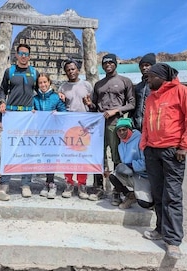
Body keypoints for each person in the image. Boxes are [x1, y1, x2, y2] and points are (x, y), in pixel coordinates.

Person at [140, 63, 187, 259]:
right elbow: (146, 124)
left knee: (172, 195)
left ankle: (173, 241)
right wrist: (144, 144)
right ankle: (160, 229)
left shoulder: (181, 91)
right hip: (152, 151)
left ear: (160, 77)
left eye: (150, 76)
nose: (147, 79)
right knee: (157, 194)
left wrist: (185, 146)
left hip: (172, 152)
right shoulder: (150, 97)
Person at [86, 53, 135, 203]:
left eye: (110, 62)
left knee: (116, 157)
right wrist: (89, 104)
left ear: (115, 64)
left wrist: (116, 110)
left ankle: (117, 190)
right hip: (99, 124)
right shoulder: (98, 84)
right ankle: (99, 187)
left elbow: (132, 103)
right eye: (105, 63)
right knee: (98, 156)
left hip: (116, 124)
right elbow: (94, 106)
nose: (108, 64)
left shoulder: (124, 81)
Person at [0, 43, 39, 200]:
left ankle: (26, 183)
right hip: (12, 115)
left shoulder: (34, 72)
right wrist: (2, 101)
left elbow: (40, 91)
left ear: (29, 56)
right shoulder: (10, 71)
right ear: (16, 55)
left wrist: (58, 96)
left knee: (26, 151)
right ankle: (4, 183)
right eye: (21, 53)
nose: (23, 56)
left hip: (28, 116)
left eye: (26, 54)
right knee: (9, 149)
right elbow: (2, 89)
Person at [58, 59, 93, 199]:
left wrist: (90, 104)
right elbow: (59, 106)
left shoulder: (87, 85)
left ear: (78, 70)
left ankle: (82, 184)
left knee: (81, 156)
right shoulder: (63, 87)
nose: (71, 72)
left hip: (83, 125)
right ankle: (69, 183)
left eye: (73, 69)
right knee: (68, 156)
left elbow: (92, 104)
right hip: (68, 125)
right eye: (68, 70)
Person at [33, 73, 66, 199]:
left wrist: (57, 113)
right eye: (40, 83)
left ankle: (52, 184)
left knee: (51, 157)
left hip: (54, 133)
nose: (43, 85)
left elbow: (64, 113)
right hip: (41, 133)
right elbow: (31, 114)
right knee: (45, 157)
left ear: (49, 82)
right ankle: (47, 182)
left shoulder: (56, 97)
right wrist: (33, 113)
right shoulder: (35, 99)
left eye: (45, 82)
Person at [108, 118, 153, 209]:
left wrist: (131, 165)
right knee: (113, 176)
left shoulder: (140, 140)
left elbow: (147, 163)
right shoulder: (121, 145)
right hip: (131, 175)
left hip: (143, 176)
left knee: (145, 204)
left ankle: (149, 196)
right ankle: (130, 195)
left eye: (124, 129)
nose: (121, 133)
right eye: (119, 131)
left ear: (130, 129)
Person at [129, 53, 156, 131]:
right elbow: (133, 107)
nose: (144, 68)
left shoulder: (157, 85)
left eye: (147, 65)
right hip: (137, 127)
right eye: (141, 66)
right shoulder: (138, 87)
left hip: (152, 126)